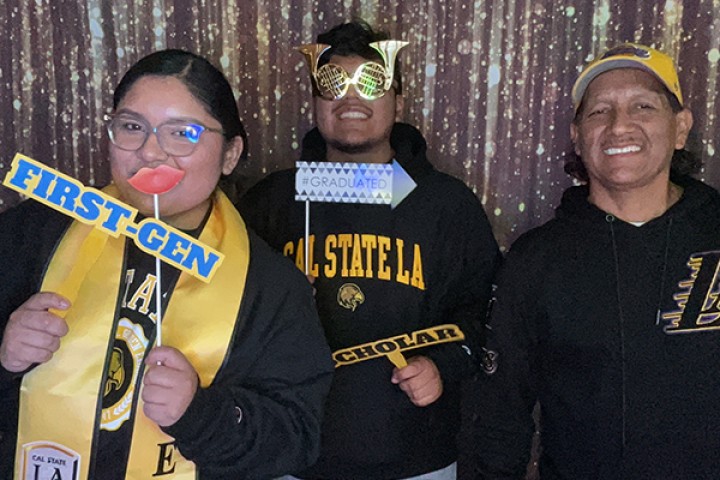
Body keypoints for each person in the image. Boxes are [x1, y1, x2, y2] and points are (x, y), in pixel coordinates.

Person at [0, 49, 334, 480]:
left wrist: (200, 413)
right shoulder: (36, 231)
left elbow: (295, 437)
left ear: (230, 154)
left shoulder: (269, 285)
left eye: (182, 133)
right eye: (132, 127)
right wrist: (5, 356)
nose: (150, 152)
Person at [237, 20, 500, 480]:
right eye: (333, 84)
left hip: (416, 459)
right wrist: (275, 296)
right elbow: (225, 315)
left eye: (372, 83)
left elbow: (489, 314)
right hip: (290, 456)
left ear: (398, 102)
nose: (351, 98)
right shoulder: (271, 202)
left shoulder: (445, 203)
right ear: (316, 102)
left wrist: (444, 365)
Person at [473, 43, 720, 479]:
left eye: (642, 106)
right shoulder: (535, 260)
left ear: (681, 128)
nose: (619, 126)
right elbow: (500, 417)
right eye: (599, 111)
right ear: (577, 135)